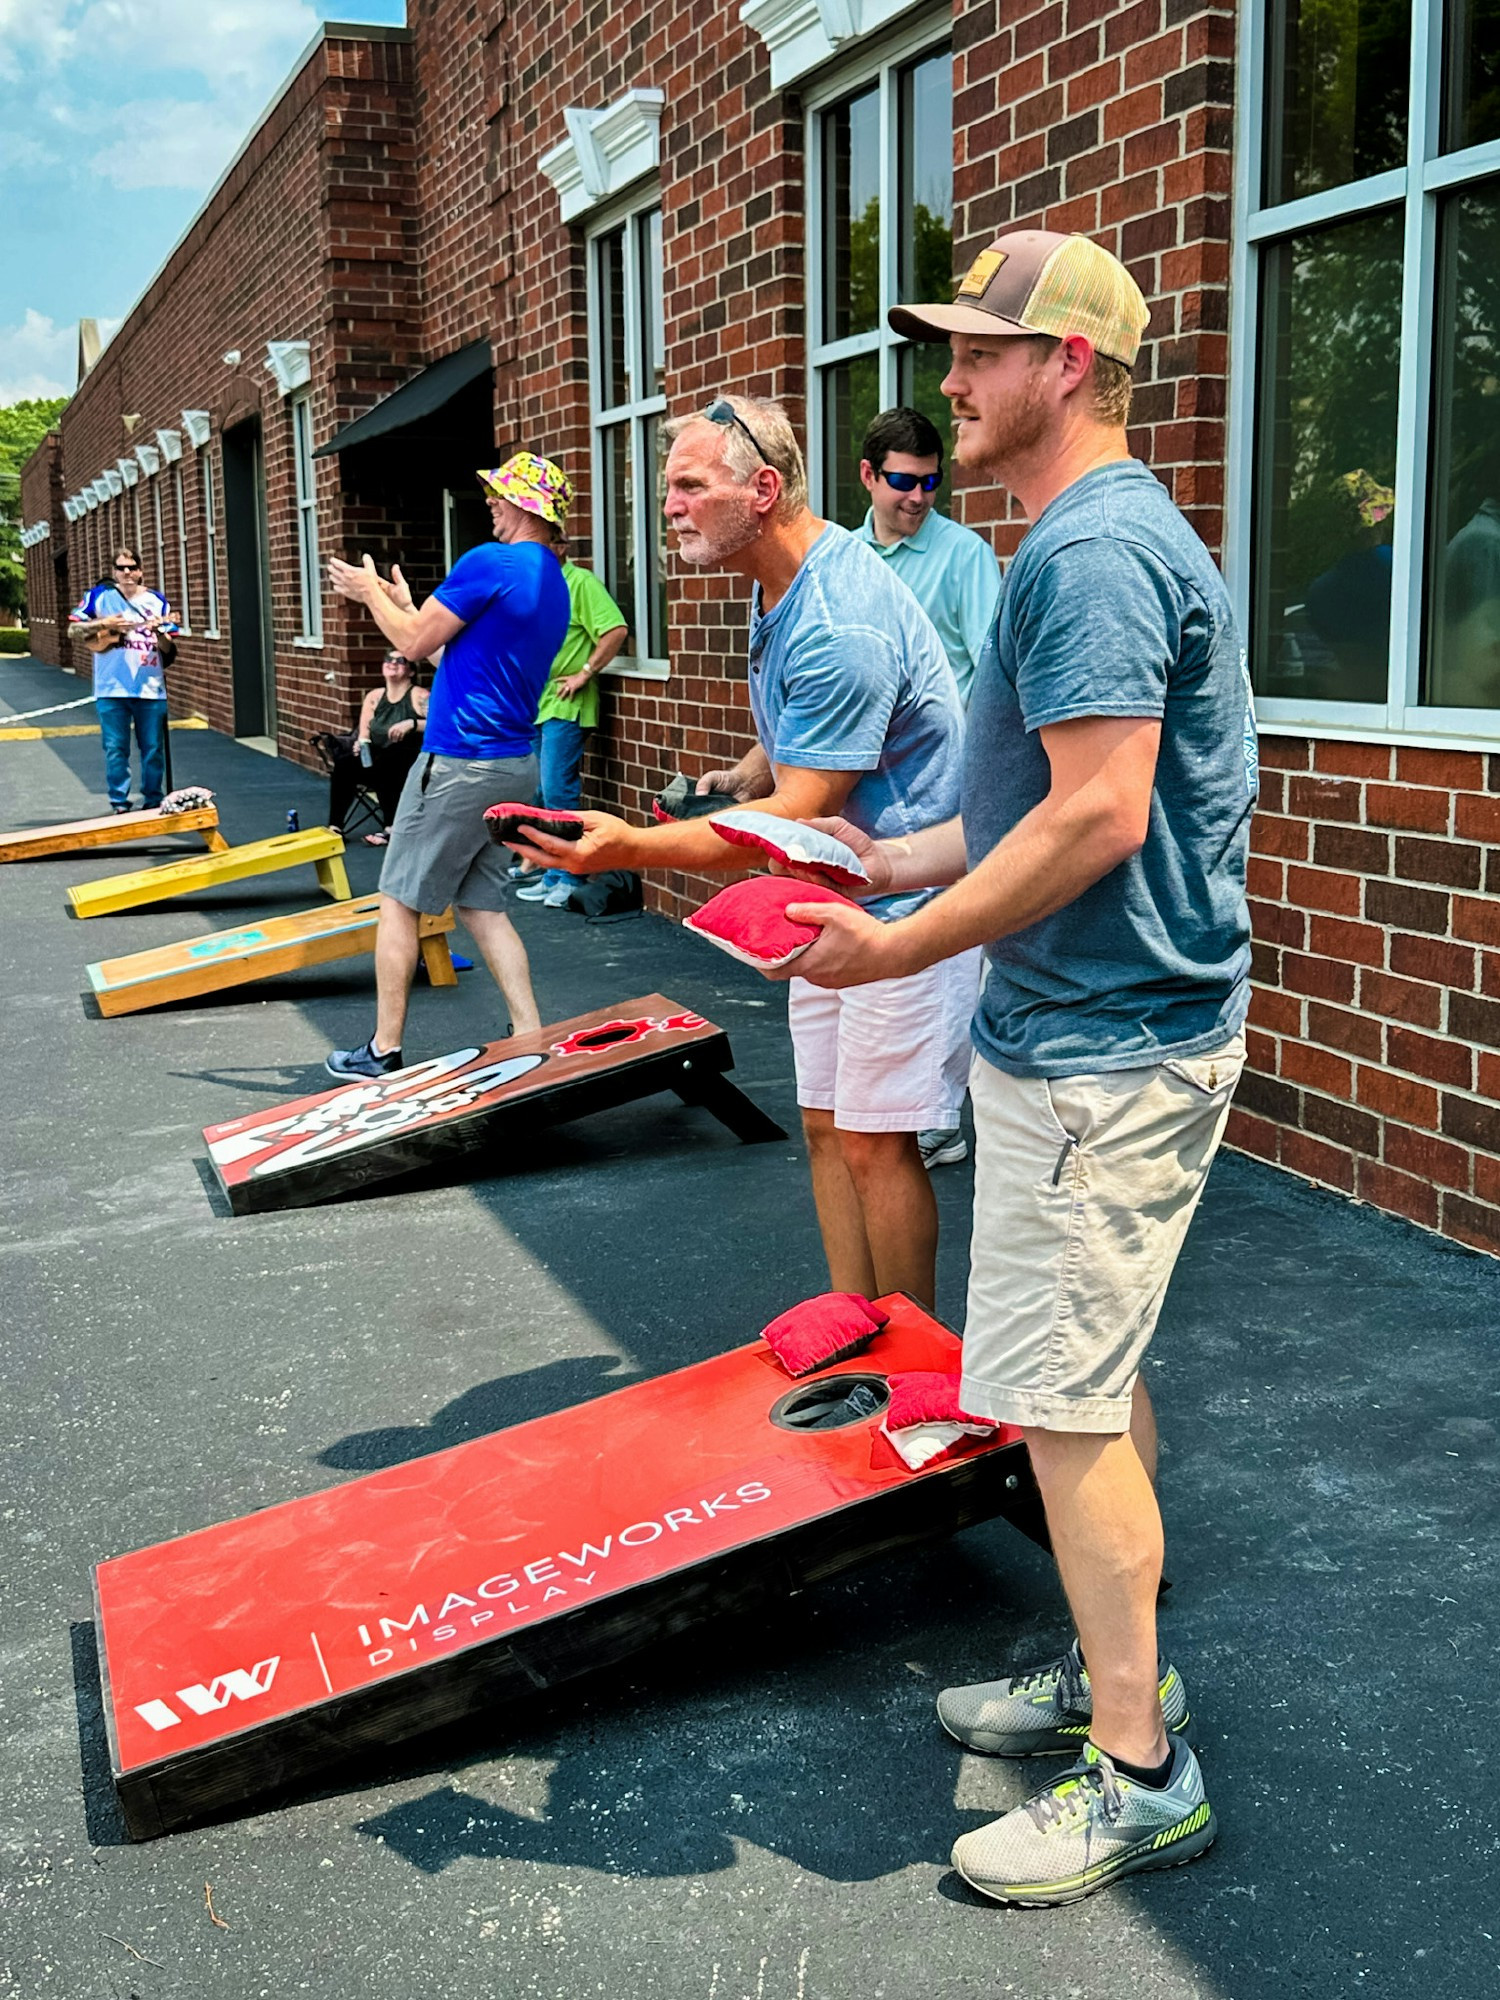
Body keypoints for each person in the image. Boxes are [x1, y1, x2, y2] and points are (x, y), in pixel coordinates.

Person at [753, 231, 1256, 1906]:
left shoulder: (1091, 554)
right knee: (1083, 1384)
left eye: (980, 352)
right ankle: (1126, 1678)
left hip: (1106, 1053)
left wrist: (899, 950)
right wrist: (886, 874)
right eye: (949, 352)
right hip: (1094, 1042)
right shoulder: (1080, 541)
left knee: (1056, 1408)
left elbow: (1103, 817)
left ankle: (1143, 1772)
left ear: (1072, 366)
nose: (948, 384)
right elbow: (1032, 802)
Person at [504, 396, 976, 1311]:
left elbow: (800, 810)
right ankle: (854, 1327)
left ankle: (914, 1359)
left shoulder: (841, 618)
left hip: (906, 909)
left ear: (762, 490)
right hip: (835, 896)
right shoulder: (784, 584)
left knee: (880, 1141)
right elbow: (808, 754)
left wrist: (630, 846)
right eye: (666, 487)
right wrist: (757, 759)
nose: (669, 506)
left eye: (689, 485)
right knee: (828, 1127)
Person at [323, 453, 572, 1077]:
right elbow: (456, 664)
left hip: (459, 764)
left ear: (527, 507)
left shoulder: (491, 561)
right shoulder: (554, 585)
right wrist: (401, 604)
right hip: (514, 763)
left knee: (398, 900)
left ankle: (382, 1050)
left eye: (499, 494)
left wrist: (368, 594)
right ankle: (529, 1032)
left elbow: (409, 645)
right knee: (484, 906)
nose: (489, 501)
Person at [856, 405, 1003, 1171]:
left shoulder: (964, 557)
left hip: (945, 794)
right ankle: (890, 1098)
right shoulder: (843, 562)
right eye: (903, 483)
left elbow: (994, 681)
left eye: (931, 484)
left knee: (944, 956)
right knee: (882, 957)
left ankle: (939, 1115)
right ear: (869, 477)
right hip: (863, 796)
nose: (917, 498)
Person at [515, 532, 629, 907]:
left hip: (567, 702)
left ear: (560, 546)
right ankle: (550, 873)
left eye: (541, 546)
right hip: (537, 701)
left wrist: (585, 672)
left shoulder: (580, 583)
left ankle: (569, 876)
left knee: (558, 791)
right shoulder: (535, 588)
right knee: (540, 791)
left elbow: (615, 629)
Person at [68, 547, 180, 813]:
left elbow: (167, 647)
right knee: (115, 748)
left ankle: (153, 800)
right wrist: (104, 623)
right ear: (114, 572)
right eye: (121, 568)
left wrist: (160, 632)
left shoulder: (156, 601)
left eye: (131, 567)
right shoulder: (100, 597)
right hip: (111, 687)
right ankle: (119, 801)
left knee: (153, 748)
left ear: (140, 571)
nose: (127, 572)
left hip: (149, 687)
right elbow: (73, 628)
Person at [326, 648, 430, 844]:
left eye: (401, 660)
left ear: (412, 671)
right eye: (388, 659)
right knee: (345, 764)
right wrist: (360, 744)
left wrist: (412, 724)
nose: (392, 662)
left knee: (389, 761)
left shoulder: (419, 696)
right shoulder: (374, 697)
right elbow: (365, 734)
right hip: (378, 760)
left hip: (409, 762)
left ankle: (391, 828)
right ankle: (335, 826)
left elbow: (441, 723)